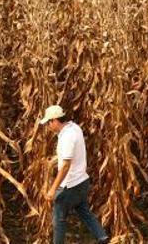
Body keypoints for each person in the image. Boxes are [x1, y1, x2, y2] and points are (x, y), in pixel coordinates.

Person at [39, 105, 109, 244]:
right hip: (82, 181)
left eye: (48, 123)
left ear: (55, 121)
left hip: (70, 186)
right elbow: (71, 155)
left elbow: (66, 165)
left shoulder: (66, 137)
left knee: (58, 218)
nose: (47, 126)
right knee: (84, 212)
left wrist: (53, 189)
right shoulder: (74, 128)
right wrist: (54, 160)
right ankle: (103, 238)